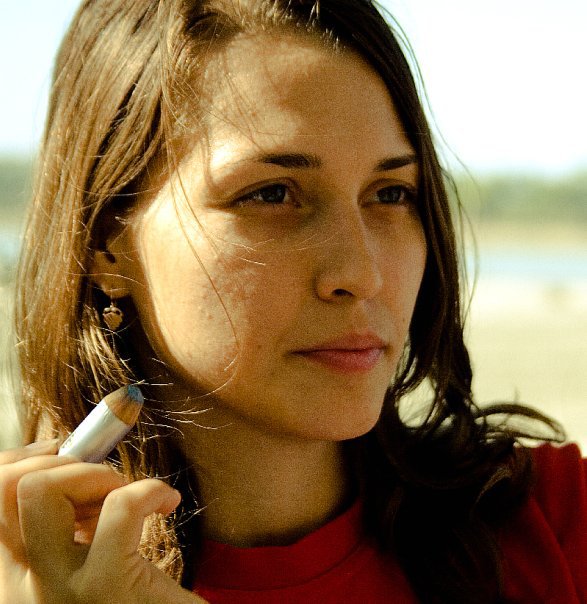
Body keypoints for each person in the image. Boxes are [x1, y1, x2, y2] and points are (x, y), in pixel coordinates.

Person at [1, 0, 585, 602]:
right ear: (107, 244)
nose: (362, 274)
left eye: (390, 193)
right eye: (272, 194)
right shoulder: (29, 580)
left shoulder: (550, 525)